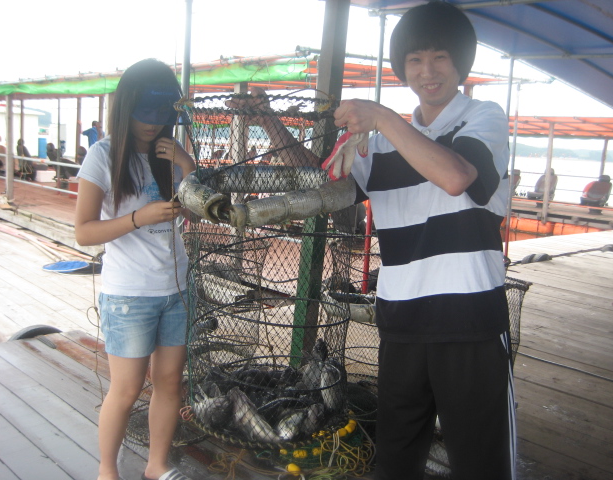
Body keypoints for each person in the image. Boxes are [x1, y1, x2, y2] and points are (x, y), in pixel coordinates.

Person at [192, 3, 515, 479]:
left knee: (480, 462)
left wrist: (381, 116)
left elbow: (455, 176)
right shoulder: (377, 142)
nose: (427, 71)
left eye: (440, 58)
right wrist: (270, 120)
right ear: (402, 67)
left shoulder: (483, 118)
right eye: (415, 60)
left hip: (469, 321)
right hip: (402, 322)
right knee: (395, 458)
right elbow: (321, 183)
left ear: (461, 63)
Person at [74, 58, 195, 480]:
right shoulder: (104, 154)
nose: (154, 122)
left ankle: (156, 465)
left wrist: (187, 165)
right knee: (126, 391)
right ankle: (107, 470)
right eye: (146, 111)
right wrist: (138, 218)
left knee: (170, 383)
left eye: (163, 113)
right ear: (126, 107)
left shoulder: (170, 152)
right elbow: (84, 231)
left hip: (176, 288)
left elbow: (194, 213)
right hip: (129, 294)